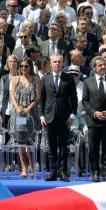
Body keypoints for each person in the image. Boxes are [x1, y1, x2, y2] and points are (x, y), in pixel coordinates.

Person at [40, 54, 78, 182]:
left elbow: (74, 100)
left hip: (64, 117)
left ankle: (63, 172)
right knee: (51, 146)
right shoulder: (45, 79)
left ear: (63, 64)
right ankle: (52, 172)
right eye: (54, 62)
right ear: (50, 64)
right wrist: (41, 116)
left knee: (63, 146)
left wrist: (72, 115)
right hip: (49, 117)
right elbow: (42, 100)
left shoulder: (68, 79)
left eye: (59, 62)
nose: (57, 64)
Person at [83, 55, 106, 182]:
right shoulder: (88, 82)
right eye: (100, 65)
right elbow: (85, 101)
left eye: (104, 65)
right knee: (93, 147)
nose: (103, 67)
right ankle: (95, 171)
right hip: (94, 120)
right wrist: (94, 113)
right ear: (94, 68)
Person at [9, 57, 41, 177]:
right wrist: (17, 107)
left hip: (31, 113)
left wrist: (28, 108)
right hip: (18, 113)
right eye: (21, 66)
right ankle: (23, 168)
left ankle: (32, 168)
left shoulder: (35, 79)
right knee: (20, 140)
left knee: (30, 141)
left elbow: (37, 97)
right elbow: (12, 95)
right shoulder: (15, 79)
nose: (23, 68)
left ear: (30, 67)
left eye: (26, 66)